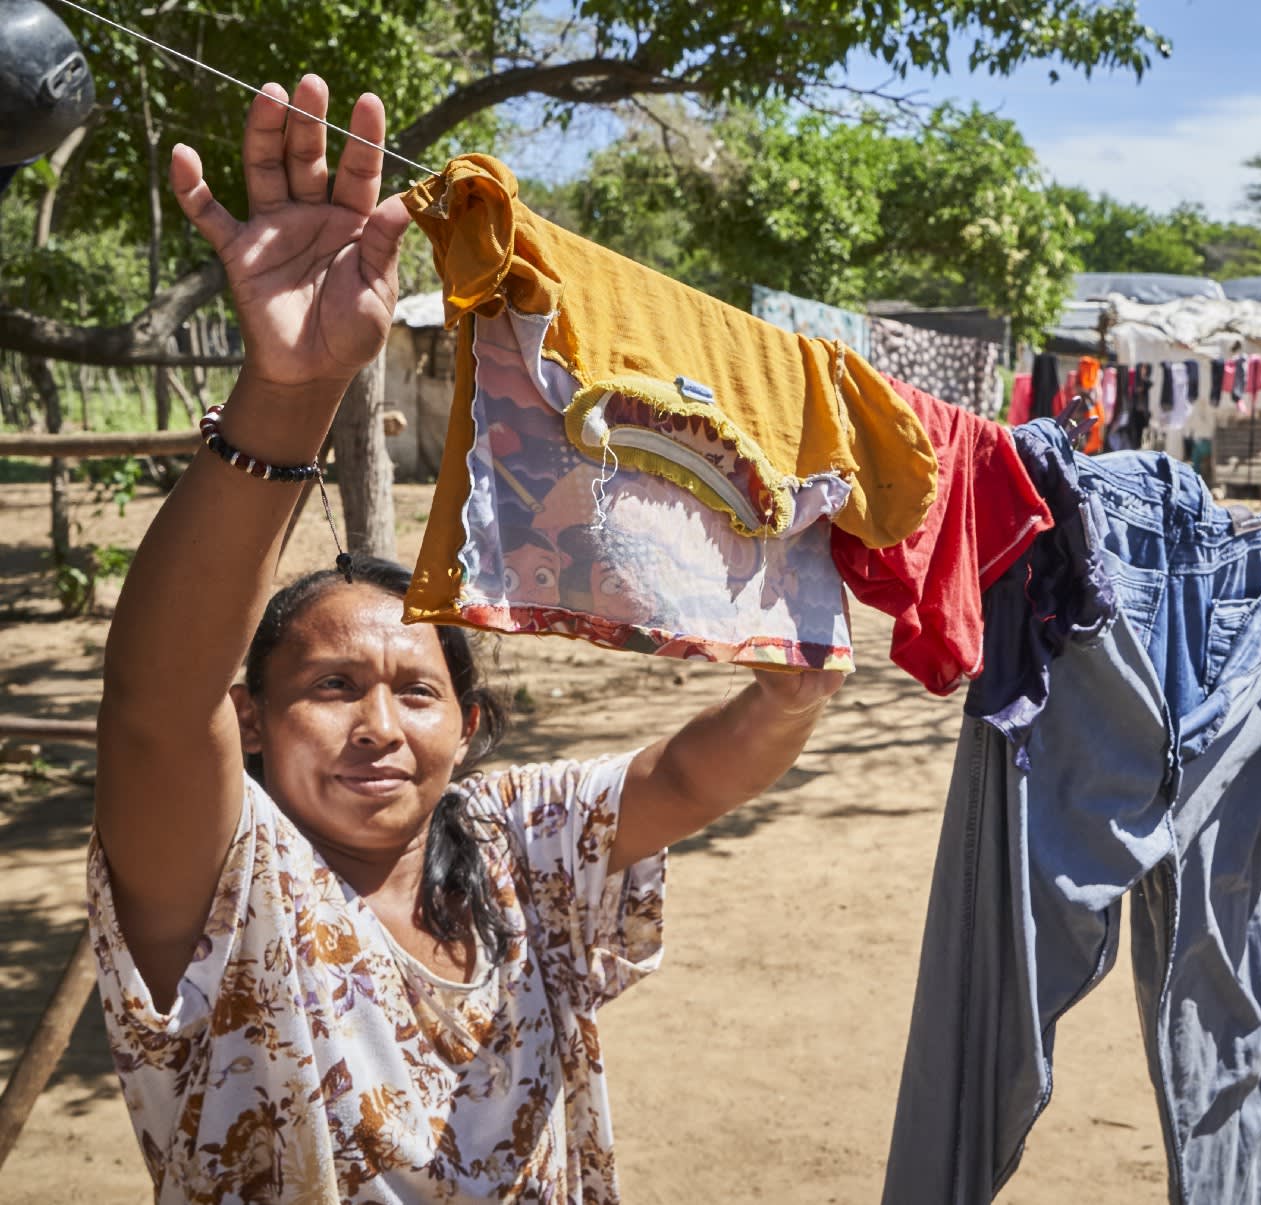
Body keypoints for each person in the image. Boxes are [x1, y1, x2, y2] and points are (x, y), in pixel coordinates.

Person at [88, 75, 842, 1203]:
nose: (377, 727)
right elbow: (155, 702)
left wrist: (787, 695)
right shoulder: (228, 882)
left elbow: (685, 772)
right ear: (249, 717)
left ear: (471, 723)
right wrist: (292, 387)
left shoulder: (507, 841)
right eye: (330, 685)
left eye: (415, 690)